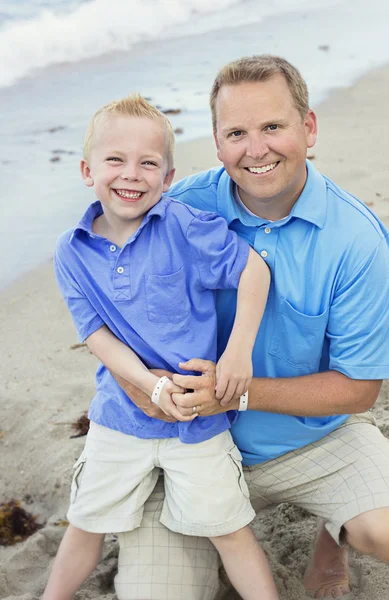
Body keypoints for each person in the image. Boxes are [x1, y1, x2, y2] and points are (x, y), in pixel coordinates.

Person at [112, 55, 389, 600]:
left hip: (315, 439)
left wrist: (231, 395)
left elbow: (361, 390)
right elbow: (114, 321)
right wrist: (142, 386)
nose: (257, 148)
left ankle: (331, 534)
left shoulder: (358, 241)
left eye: (273, 126)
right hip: (190, 446)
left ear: (308, 128)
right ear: (218, 144)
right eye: (237, 133)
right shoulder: (175, 212)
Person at [43, 93, 278, 600]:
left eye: (148, 163)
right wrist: (149, 384)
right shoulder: (71, 250)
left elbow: (253, 270)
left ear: (167, 178)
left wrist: (237, 353)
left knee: (229, 530)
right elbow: (96, 334)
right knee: (85, 523)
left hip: (199, 418)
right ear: (88, 170)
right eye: (115, 160)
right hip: (118, 418)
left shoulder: (183, 226)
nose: (132, 174)